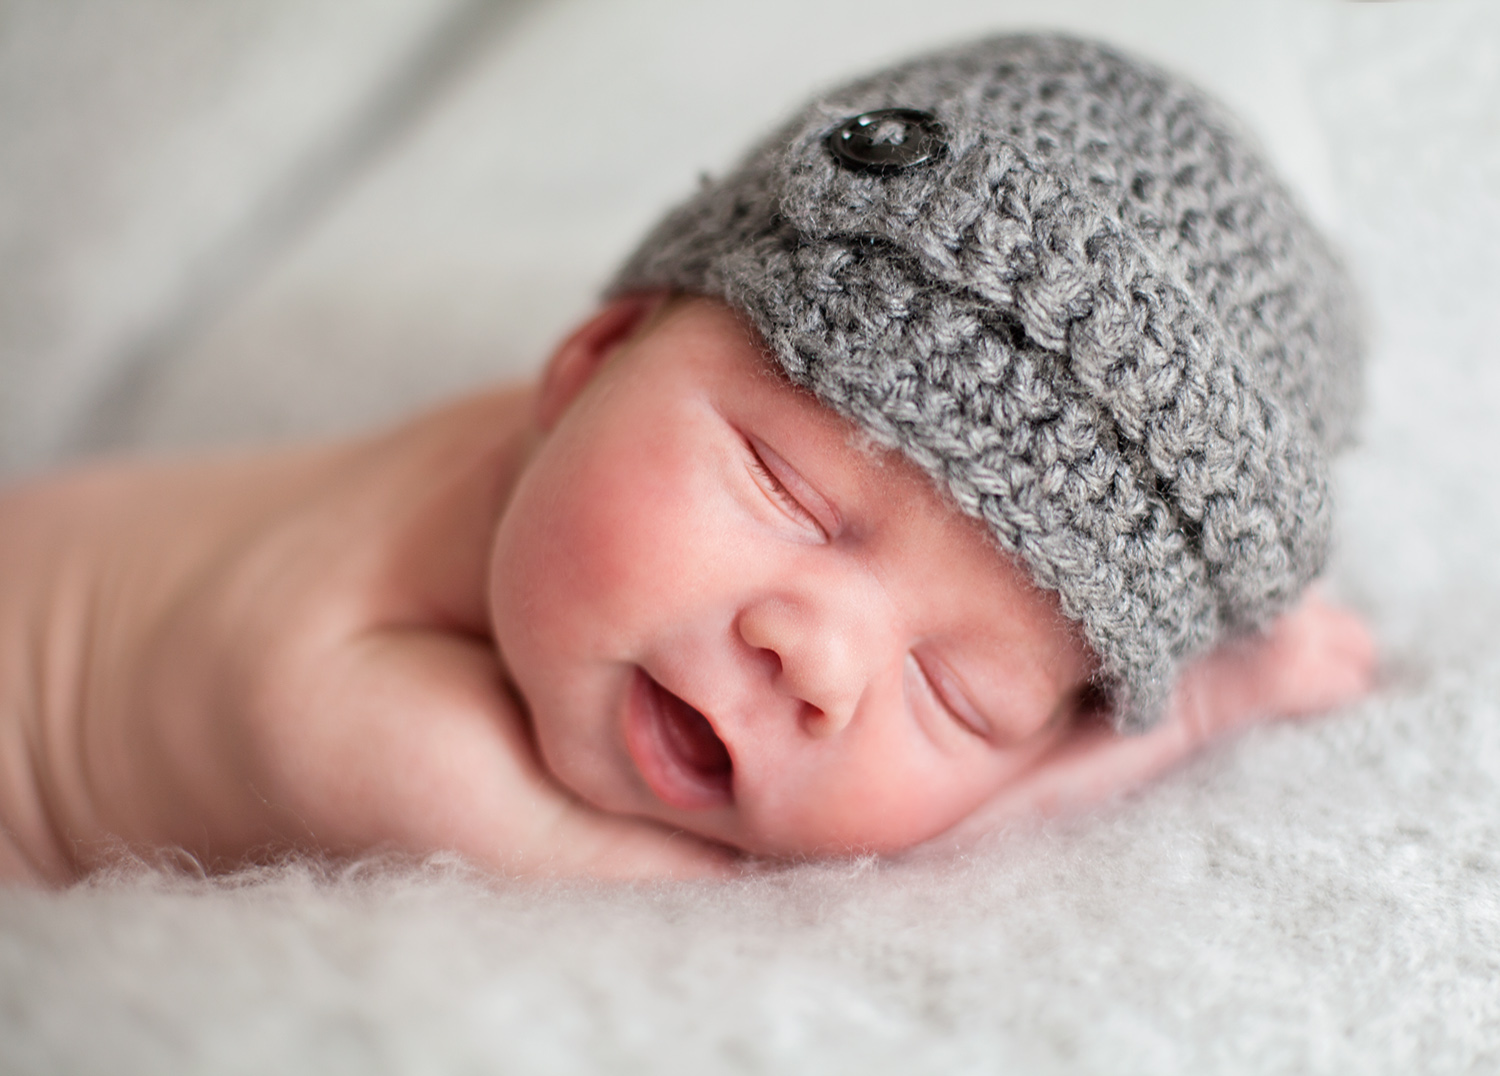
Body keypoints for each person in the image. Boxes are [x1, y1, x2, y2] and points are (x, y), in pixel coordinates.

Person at [0, 34, 1376, 886]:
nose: (817, 661)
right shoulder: (373, 737)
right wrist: (1192, 722)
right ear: (589, 363)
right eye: (787, 491)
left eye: (954, 696)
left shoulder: (573, 481)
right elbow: (788, 921)